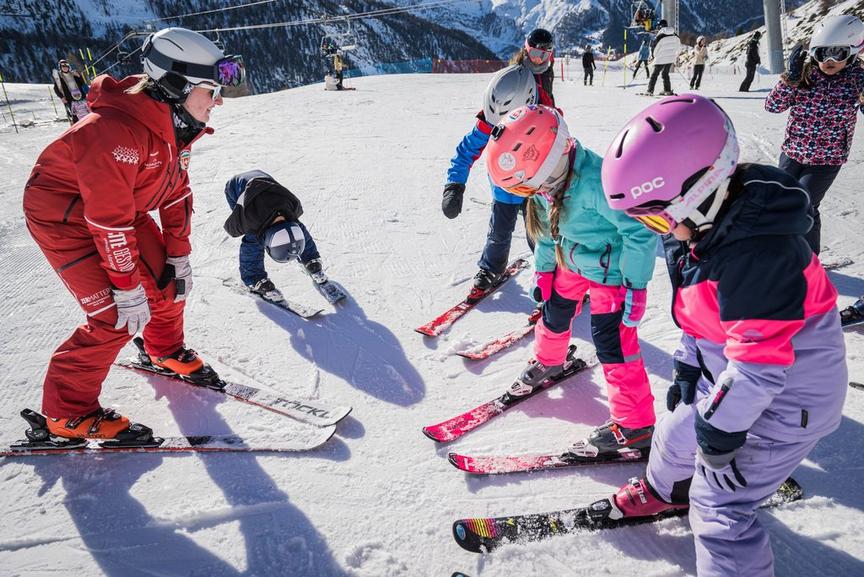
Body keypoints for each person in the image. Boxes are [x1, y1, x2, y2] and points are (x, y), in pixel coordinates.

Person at [598, 94, 847, 577]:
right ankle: (665, 491)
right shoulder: (701, 232)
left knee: (718, 506)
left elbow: (759, 365)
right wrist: (690, 362)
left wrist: (721, 430)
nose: (659, 230)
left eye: (655, 216)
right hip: (731, 378)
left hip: (789, 403)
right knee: (673, 433)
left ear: (703, 190)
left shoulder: (760, 255)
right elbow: (700, 317)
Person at [21, 27, 245, 441]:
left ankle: (163, 350)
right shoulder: (111, 132)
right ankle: (65, 414)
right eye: (210, 90)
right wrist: (125, 286)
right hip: (63, 216)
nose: (217, 103)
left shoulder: (175, 124)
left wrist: (178, 256)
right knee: (115, 315)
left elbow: (176, 193)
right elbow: (108, 223)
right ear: (176, 85)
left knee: (168, 284)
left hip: (124, 208)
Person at [484, 105, 658, 456]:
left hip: (612, 271)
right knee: (555, 310)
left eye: (541, 183)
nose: (541, 192)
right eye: (533, 188)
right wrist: (545, 270)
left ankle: (635, 425)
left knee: (613, 342)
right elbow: (548, 232)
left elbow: (639, 232)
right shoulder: (548, 186)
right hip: (571, 260)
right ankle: (550, 360)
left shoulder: (601, 182)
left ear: (556, 154)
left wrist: (636, 285)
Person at [441, 64, 548, 291]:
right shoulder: (490, 121)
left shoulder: (545, 120)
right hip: (504, 187)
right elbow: (466, 151)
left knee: (540, 234)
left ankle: (552, 273)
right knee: (499, 230)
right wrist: (454, 185)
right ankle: (491, 268)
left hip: (536, 188)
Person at [765, 14, 864, 254]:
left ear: (852, 53)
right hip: (792, 152)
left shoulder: (858, 79)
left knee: (805, 202)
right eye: (822, 54)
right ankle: (779, 249)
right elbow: (773, 106)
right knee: (781, 201)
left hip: (827, 159)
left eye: (838, 54)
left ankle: (808, 258)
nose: (829, 60)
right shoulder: (804, 75)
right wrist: (790, 79)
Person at [223, 170, 329, 301]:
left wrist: (310, 257)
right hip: (235, 187)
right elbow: (231, 228)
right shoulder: (250, 219)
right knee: (253, 238)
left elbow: (300, 232)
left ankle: (310, 259)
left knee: (297, 227)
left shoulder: (293, 208)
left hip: (263, 180)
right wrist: (242, 217)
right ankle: (254, 278)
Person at [510, 28, 556, 106]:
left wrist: (555, 112)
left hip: (543, 116)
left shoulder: (547, 72)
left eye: (544, 55)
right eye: (536, 54)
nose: (540, 59)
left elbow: (549, 96)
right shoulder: (516, 72)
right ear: (527, 50)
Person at [646, 20, 681, 96]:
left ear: (660, 27)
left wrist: (654, 56)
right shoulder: (675, 35)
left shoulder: (659, 36)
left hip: (660, 59)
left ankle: (650, 91)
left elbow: (654, 49)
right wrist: (674, 55)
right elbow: (679, 48)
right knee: (665, 74)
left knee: (654, 75)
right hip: (670, 59)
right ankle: (667, 90)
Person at [51, 59, 89, 124]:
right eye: (63, 66)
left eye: (66, 66)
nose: (65, 67)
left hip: (81, 96)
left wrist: (79, 77)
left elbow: (82, 83)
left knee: (86, 112)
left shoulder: (74, 74)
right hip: (70, 99)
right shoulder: (59, 78)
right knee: (75, 116)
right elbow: (56, 89)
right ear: (60, 67)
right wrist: (62, 97)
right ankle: (78, 130)